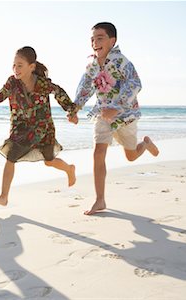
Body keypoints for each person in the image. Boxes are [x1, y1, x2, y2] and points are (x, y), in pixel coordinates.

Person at [0, 46, 78, 206]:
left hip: (42, 128)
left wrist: (71, 111)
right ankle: (4, 196)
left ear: (31, 67)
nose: (15, 69)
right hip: (20, 129)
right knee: (11, 156)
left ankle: (69, 169)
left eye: (20, 65)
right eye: (14, 65)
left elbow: (59, 92)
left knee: (49, 160)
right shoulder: (12, 83)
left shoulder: (42, 84)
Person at [69, 22, 159, 215]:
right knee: (98, 151)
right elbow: (85, 87)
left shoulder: (121, 61)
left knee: (131, 155)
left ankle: (145, 144)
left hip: (125, 115)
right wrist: (75, 108)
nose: (95, 42)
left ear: (112, 40)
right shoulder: (92, 64)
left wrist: (117, 107)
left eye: (100, 38)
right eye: (92, 39)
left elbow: (135, 84)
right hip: (102, 114)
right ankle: (100, 200)